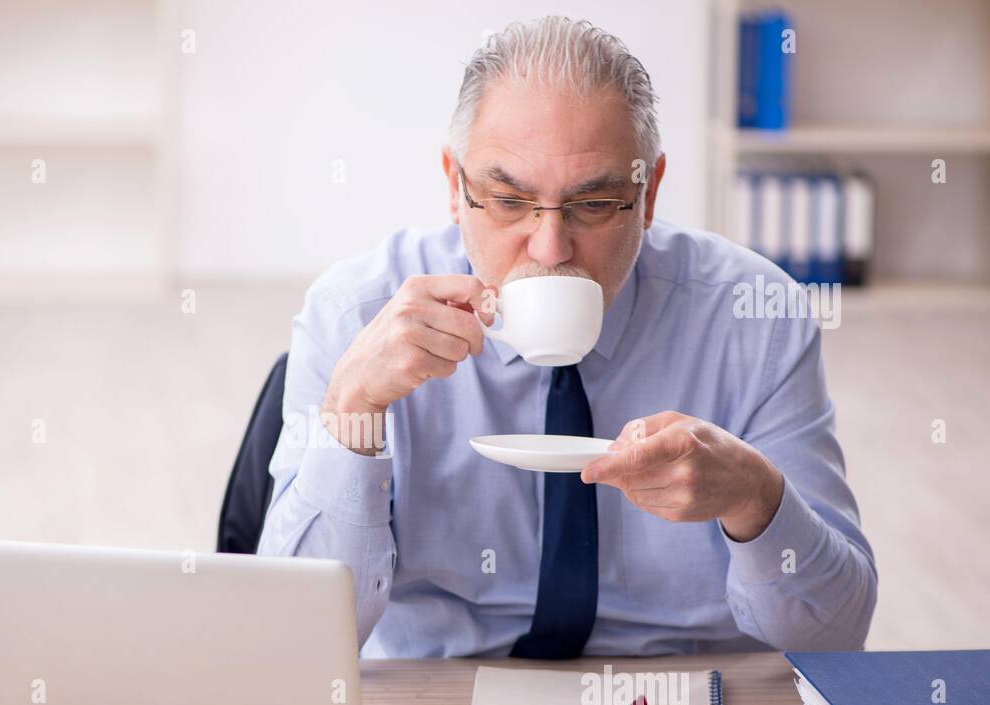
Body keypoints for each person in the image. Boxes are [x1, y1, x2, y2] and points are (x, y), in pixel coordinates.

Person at [257, 16, 876, 659]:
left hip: (689, 702)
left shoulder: (755, 317)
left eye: (594, 204)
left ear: (649, 191)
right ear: (454, 185)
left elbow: (835, 636)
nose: (551, 248)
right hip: (441, 694)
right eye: (507, 200)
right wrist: (351, 417)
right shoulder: (353, 311)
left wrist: (757, 499)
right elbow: (295, 644)